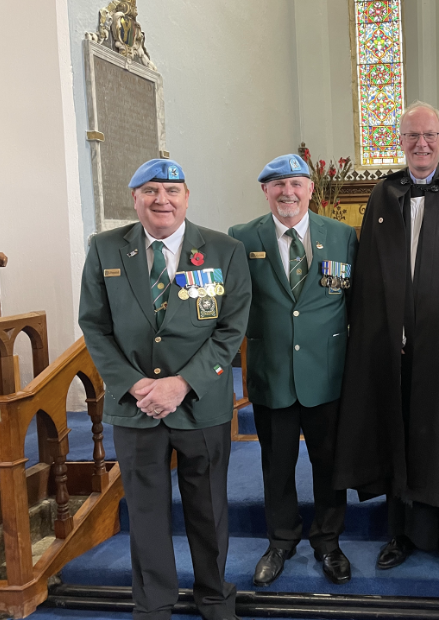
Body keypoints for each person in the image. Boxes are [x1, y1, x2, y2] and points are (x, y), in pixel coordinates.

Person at [333, 101, 439, 575]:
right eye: (412, 136)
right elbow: (370, 275)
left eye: (429, 135)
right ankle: (401, 533)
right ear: (401, 141)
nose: (421, 144)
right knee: (401, 436)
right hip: (397, 348)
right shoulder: (383, 196)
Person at [79, 159, 251, 620]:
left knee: (208, 507)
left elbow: (230, 329)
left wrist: (182, 384)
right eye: (151, 190)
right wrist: (134, 384)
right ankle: (154, 603)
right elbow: (94, 326)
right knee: (146, 510)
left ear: (187, 197)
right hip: (135, 407)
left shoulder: (224, 249)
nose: (162, 200)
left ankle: (214, 597)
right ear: (134, 198)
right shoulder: (105, 249)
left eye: (172, 191)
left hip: (200, 403)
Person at [228, 154, 358, 587]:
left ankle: (328, 542)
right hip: (273, 372)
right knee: (276, 464)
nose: (288, 192)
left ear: (310, 189)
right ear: (265, 190)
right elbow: (233, 305)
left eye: (296, 183)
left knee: (328, 463)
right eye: (278, 184)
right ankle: (280, 541)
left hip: (327, 373)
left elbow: (355, 304)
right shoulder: (241, 238)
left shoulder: (341, 236)